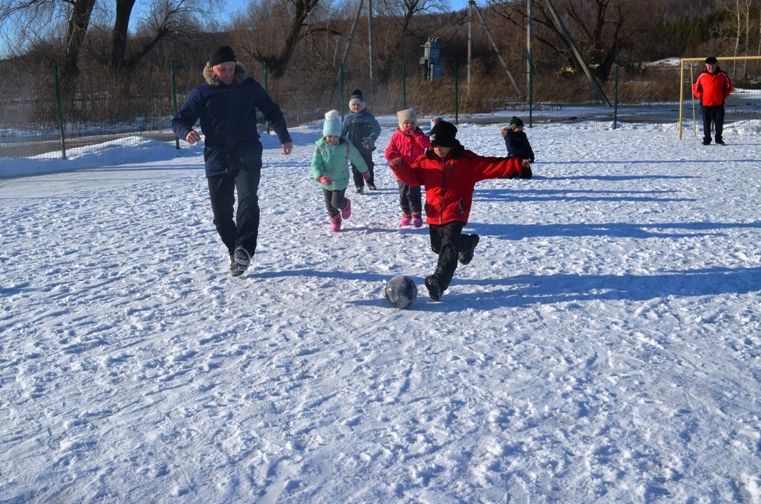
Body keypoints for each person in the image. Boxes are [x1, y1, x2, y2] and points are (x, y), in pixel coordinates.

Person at [172, 45, 293, 277]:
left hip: (247, 153)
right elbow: (179, 119)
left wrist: (284, 137)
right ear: (212, 69)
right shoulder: (202, 93)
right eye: (222, 69)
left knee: (248, 199)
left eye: (231, 68)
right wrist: (185, 131)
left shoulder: (249, 87)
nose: (228, 73)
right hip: (217, 158)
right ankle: (235, 251)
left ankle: (244, 250)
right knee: (221, 217)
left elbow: (272, 111)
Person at [390, 120, 532, 301]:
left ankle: (439, 283)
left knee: (448, 246)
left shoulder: (466, 161)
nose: (438, 149)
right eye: (435, 145)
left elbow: (492, 166)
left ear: (451, 144)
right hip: (434, 213)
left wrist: (517, 164)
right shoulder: (425, 161)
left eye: (443, 145)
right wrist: (399, 166)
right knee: (438, 247)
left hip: (456, 210)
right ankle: (468, 244)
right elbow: (412, 179)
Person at [311, 110, 371, 233]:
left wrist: (364, 170)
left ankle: (346, 204)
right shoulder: (320, 147)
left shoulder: (346, 146)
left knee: (336, 202)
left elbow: (357, 158)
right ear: (324, 135)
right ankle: (336, 220)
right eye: (329, 136)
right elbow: (315, 164)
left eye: (335, 136)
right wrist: (320, 176)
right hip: (326, 181)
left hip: (340, 179)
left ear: (339, 136)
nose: (332, 139)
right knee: (329, 206)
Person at [384, 108, 430, 228]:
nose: (409, 125)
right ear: (401, 124)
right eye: (406, 123)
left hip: (416, 169)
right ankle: (406, 213)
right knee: (403, 193)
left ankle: (416, 214)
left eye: (412, 123)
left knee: (414, 193)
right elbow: (389, 151)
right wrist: (393, 157)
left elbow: (426, 144)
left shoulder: (419, 135)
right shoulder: (396, 136)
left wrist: (415, 134)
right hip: (402, 170)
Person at [341, 89, 381, 193]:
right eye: (353, 105)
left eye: (358, 104)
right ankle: (359, 185)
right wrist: (341, 142)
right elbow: (342, 132)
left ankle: (370, 182)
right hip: (353, 147)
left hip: (366, 146)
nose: (356, 107)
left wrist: (372, 138)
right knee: (356, 166)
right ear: (351, 106)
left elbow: (377, 128)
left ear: (363, 105)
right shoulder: (348, 119)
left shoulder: (368, 116)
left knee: (368, 165)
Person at [692, 56, 733, 145]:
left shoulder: (722, 75)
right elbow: (695, 88)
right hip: (705, 105)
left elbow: (729, 87)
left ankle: (718, 139)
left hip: (718, 105)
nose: (711, 67)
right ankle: (707, 139)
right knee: (706, 123)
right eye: (709, 65)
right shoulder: (702, 75)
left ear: (716, 65)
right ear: (706, 66)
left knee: (719, 123)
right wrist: (700, 97)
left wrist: (723, 97)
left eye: (713, 65)